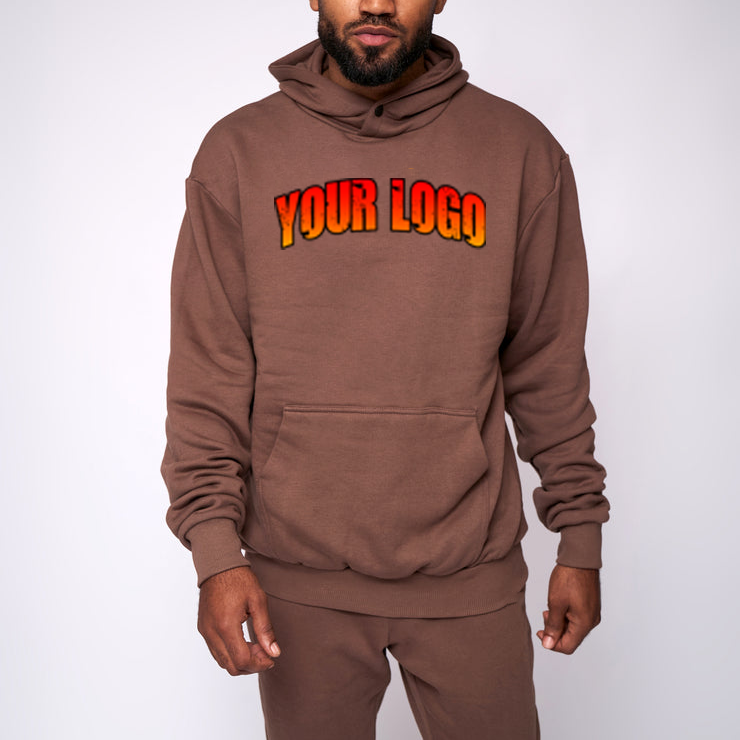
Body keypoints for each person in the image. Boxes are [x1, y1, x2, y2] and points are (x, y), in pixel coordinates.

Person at [160, 1, 610, 737]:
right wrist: (215, 554)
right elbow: (208, 377)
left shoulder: (520, 151)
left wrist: (580, 538)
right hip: (298, 580)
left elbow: (548, 364)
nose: (375, 2)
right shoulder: (239, 153)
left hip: (471, 574)